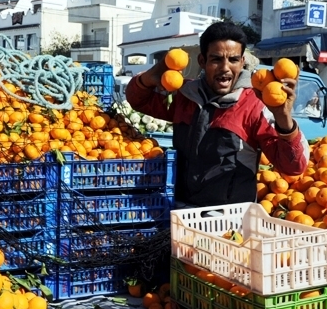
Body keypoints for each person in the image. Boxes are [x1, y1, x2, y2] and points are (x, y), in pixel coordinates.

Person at [125, 22, 308, 207]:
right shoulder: (185, 96)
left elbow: (293, 167)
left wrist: (283, 117)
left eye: (233, 60)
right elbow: (139, 99)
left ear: (242, 62)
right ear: (202, 61)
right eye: (216, 59)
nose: (225, 68)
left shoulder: (255, 105)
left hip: (229, 223)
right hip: (181, 213)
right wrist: (152, 74)